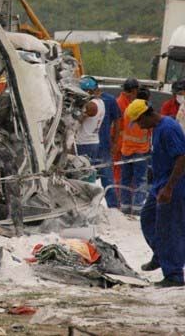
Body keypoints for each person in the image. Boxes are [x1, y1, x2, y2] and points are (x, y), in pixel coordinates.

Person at [127, 100, 185, 287]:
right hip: (159, 182)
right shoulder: (157, 128)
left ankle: (174, 274)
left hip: (173, 184)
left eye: (138, 121)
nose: (139, 126)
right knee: (148, 217)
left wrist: (169, 188)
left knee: (169, 228)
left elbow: (182, 157)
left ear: (145, 115)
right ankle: (161, 254)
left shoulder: (168, 128)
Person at [76, 76, 115, 206]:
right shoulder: (101, 102)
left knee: (83, 175)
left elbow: (77, 120)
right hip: (93, 141)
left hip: (84, 143)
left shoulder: (91, 105)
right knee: (89, 172)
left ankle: (86, 202)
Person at [119, 87, 152, 215]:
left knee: (125, 179)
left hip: (126, 149)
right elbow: (150, 131)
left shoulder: (129, 109)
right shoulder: (145, 112)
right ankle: (137, 208)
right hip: (141, 151)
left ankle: (125, 206)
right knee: (140, 180)